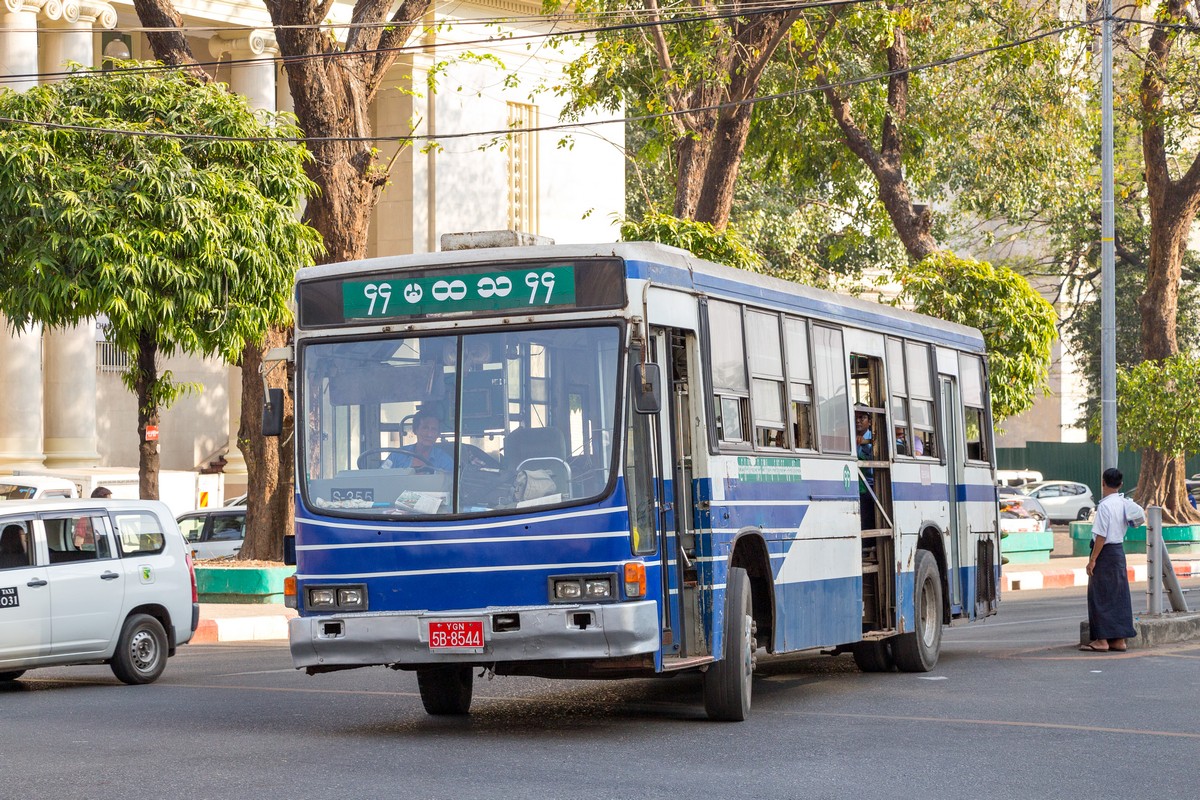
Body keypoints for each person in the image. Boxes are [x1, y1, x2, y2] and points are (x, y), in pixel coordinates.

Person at [1080, 468, 1140, 653]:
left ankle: (1102, 640)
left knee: (1100, 596)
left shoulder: (1104, 506)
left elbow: (1100, 537)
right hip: (1118, 553)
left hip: (1105, 553)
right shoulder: (1123, 503)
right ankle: (1119, 639)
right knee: (1119, 595)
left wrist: (1092, 560)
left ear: (1103, 483)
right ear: (1121, 484)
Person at [384, 410, 454, 472]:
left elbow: (449, 485)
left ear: (438, 434)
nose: (429, 434)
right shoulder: (397, 455)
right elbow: (381, 475)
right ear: (415, 430)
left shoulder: (445, 461)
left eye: (434, 429)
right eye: (425, 428)